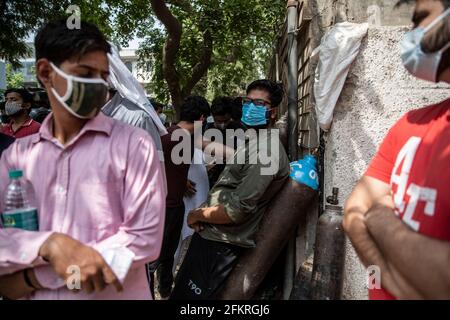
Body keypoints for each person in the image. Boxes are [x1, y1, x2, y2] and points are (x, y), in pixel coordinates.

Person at [0, 19, 165, 300]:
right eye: (85, 73)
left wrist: (34, 276)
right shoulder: (16, 156)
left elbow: (144, 239)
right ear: (45, 72)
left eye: (102, 76)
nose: (98, 86)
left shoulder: (133, 145)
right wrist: (48, 244)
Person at [343, 0, 450, 300]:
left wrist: (379, 218)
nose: (411, 33)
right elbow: (353, 213)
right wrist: (393, 282)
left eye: (420, 19)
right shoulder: (410, 124)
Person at [170, 79, 290, 300]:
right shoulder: (256, 141)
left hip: (221, 242)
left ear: (272, 112)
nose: (251, 107)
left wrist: (196, 213)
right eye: (248, 101)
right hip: (213, 235)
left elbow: (237, 209)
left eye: (260, 104)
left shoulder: (267, 151)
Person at [154, 96, 211, 298]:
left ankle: (164, 288)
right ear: (202, 118)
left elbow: (164, 166)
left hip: (168, 203)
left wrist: (182, 180)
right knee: (162, 254)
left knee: (166, 254)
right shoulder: (183, 139)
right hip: (169, 206)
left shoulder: (167, 133)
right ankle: (158, 289)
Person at [204, 97, 245, 187]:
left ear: (230, 116)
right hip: (209, 180)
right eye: (218, 121)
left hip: (232, 181)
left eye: (226, 121)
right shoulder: (205, 129)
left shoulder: (239, 129)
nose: (222, 125)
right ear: (212, 116)